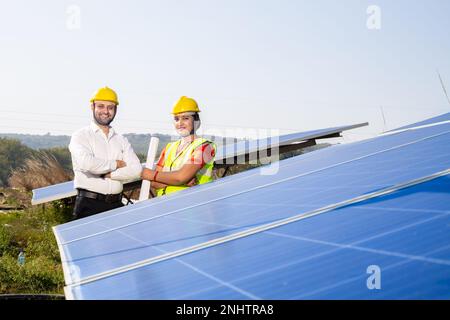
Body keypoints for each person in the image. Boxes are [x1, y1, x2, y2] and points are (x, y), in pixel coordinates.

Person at [69, 86, 142, 219]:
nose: (106, 111)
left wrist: (109, 174)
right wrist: (116, 164)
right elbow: (87, 164)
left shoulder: (121, 140)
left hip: (117, 205)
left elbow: (136, 170)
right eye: (101, 106)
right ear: (92, 107)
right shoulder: (80, 136)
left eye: (110, 107)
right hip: (89, 206)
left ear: (115, 110)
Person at [141, 96, 216, 196]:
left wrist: (150, 174)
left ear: (196, 121)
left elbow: (180, 177)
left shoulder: (205, 147)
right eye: (176, 119)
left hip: (193, 203)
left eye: (185, 118)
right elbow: (154, 183)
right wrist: (183, 182)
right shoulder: (168, 148)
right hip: (165, 203)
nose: (180, 123)